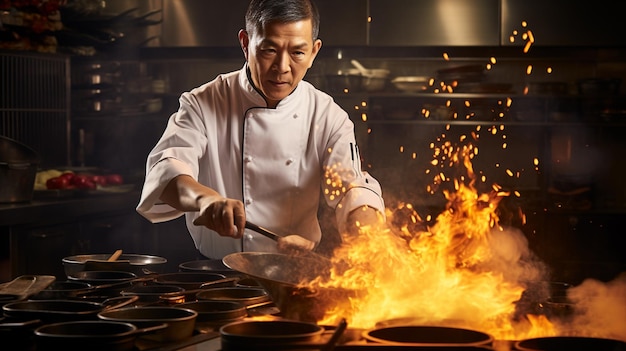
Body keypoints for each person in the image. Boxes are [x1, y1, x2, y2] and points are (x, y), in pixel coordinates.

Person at [136, 0, 385, 260]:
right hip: (217, 275)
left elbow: (351, 189)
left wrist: (367, 241)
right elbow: (167, 170)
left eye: (298, 53)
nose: (282, 67)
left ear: (313, 52)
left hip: (295, 272)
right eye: (269, 50)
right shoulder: (203, 102)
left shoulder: (328, 116)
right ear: (245, 43)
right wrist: (205, 200)